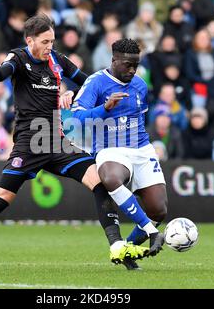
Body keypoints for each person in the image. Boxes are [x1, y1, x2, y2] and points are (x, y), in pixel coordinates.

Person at [0, 14, 159, 273]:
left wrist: (73, 93)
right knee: (0, 200)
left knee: (100, 182)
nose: (49, 47)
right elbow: (0, 75)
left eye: (52, 41)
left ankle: (117, 246)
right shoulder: (18, 58)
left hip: (57, 142)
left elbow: (90, 82)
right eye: (45, 41)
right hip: (30, 143)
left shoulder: (57, 60)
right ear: (29, 40)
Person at [72, 38, 168, 270]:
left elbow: (140, 117)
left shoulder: (140, 85)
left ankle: (126, 250)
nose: (132, 70)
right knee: (111, 178)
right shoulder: (95, 83)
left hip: (141, 148)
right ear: (113, 60)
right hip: (110, 148)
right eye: (127, 65)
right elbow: (75, 120)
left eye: (136, 65)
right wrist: (104, 109)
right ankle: (151, 231)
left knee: (159, 209)